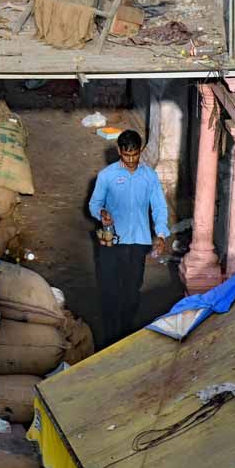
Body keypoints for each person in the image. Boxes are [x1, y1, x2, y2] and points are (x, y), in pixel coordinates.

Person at [89, 130, 170, 346]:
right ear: (119, 152)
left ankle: (124, 334)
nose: (131, 160)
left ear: (140, 151)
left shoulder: (149, 176)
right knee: (110, 288)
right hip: (112, 242)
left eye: (135, 154)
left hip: (138, 242)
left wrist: (160, 234)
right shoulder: (106, 176)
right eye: (127, 155)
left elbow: (159, 207)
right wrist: (101, 213)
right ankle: (110, 337)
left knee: (132, 289)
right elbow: (94, 204)